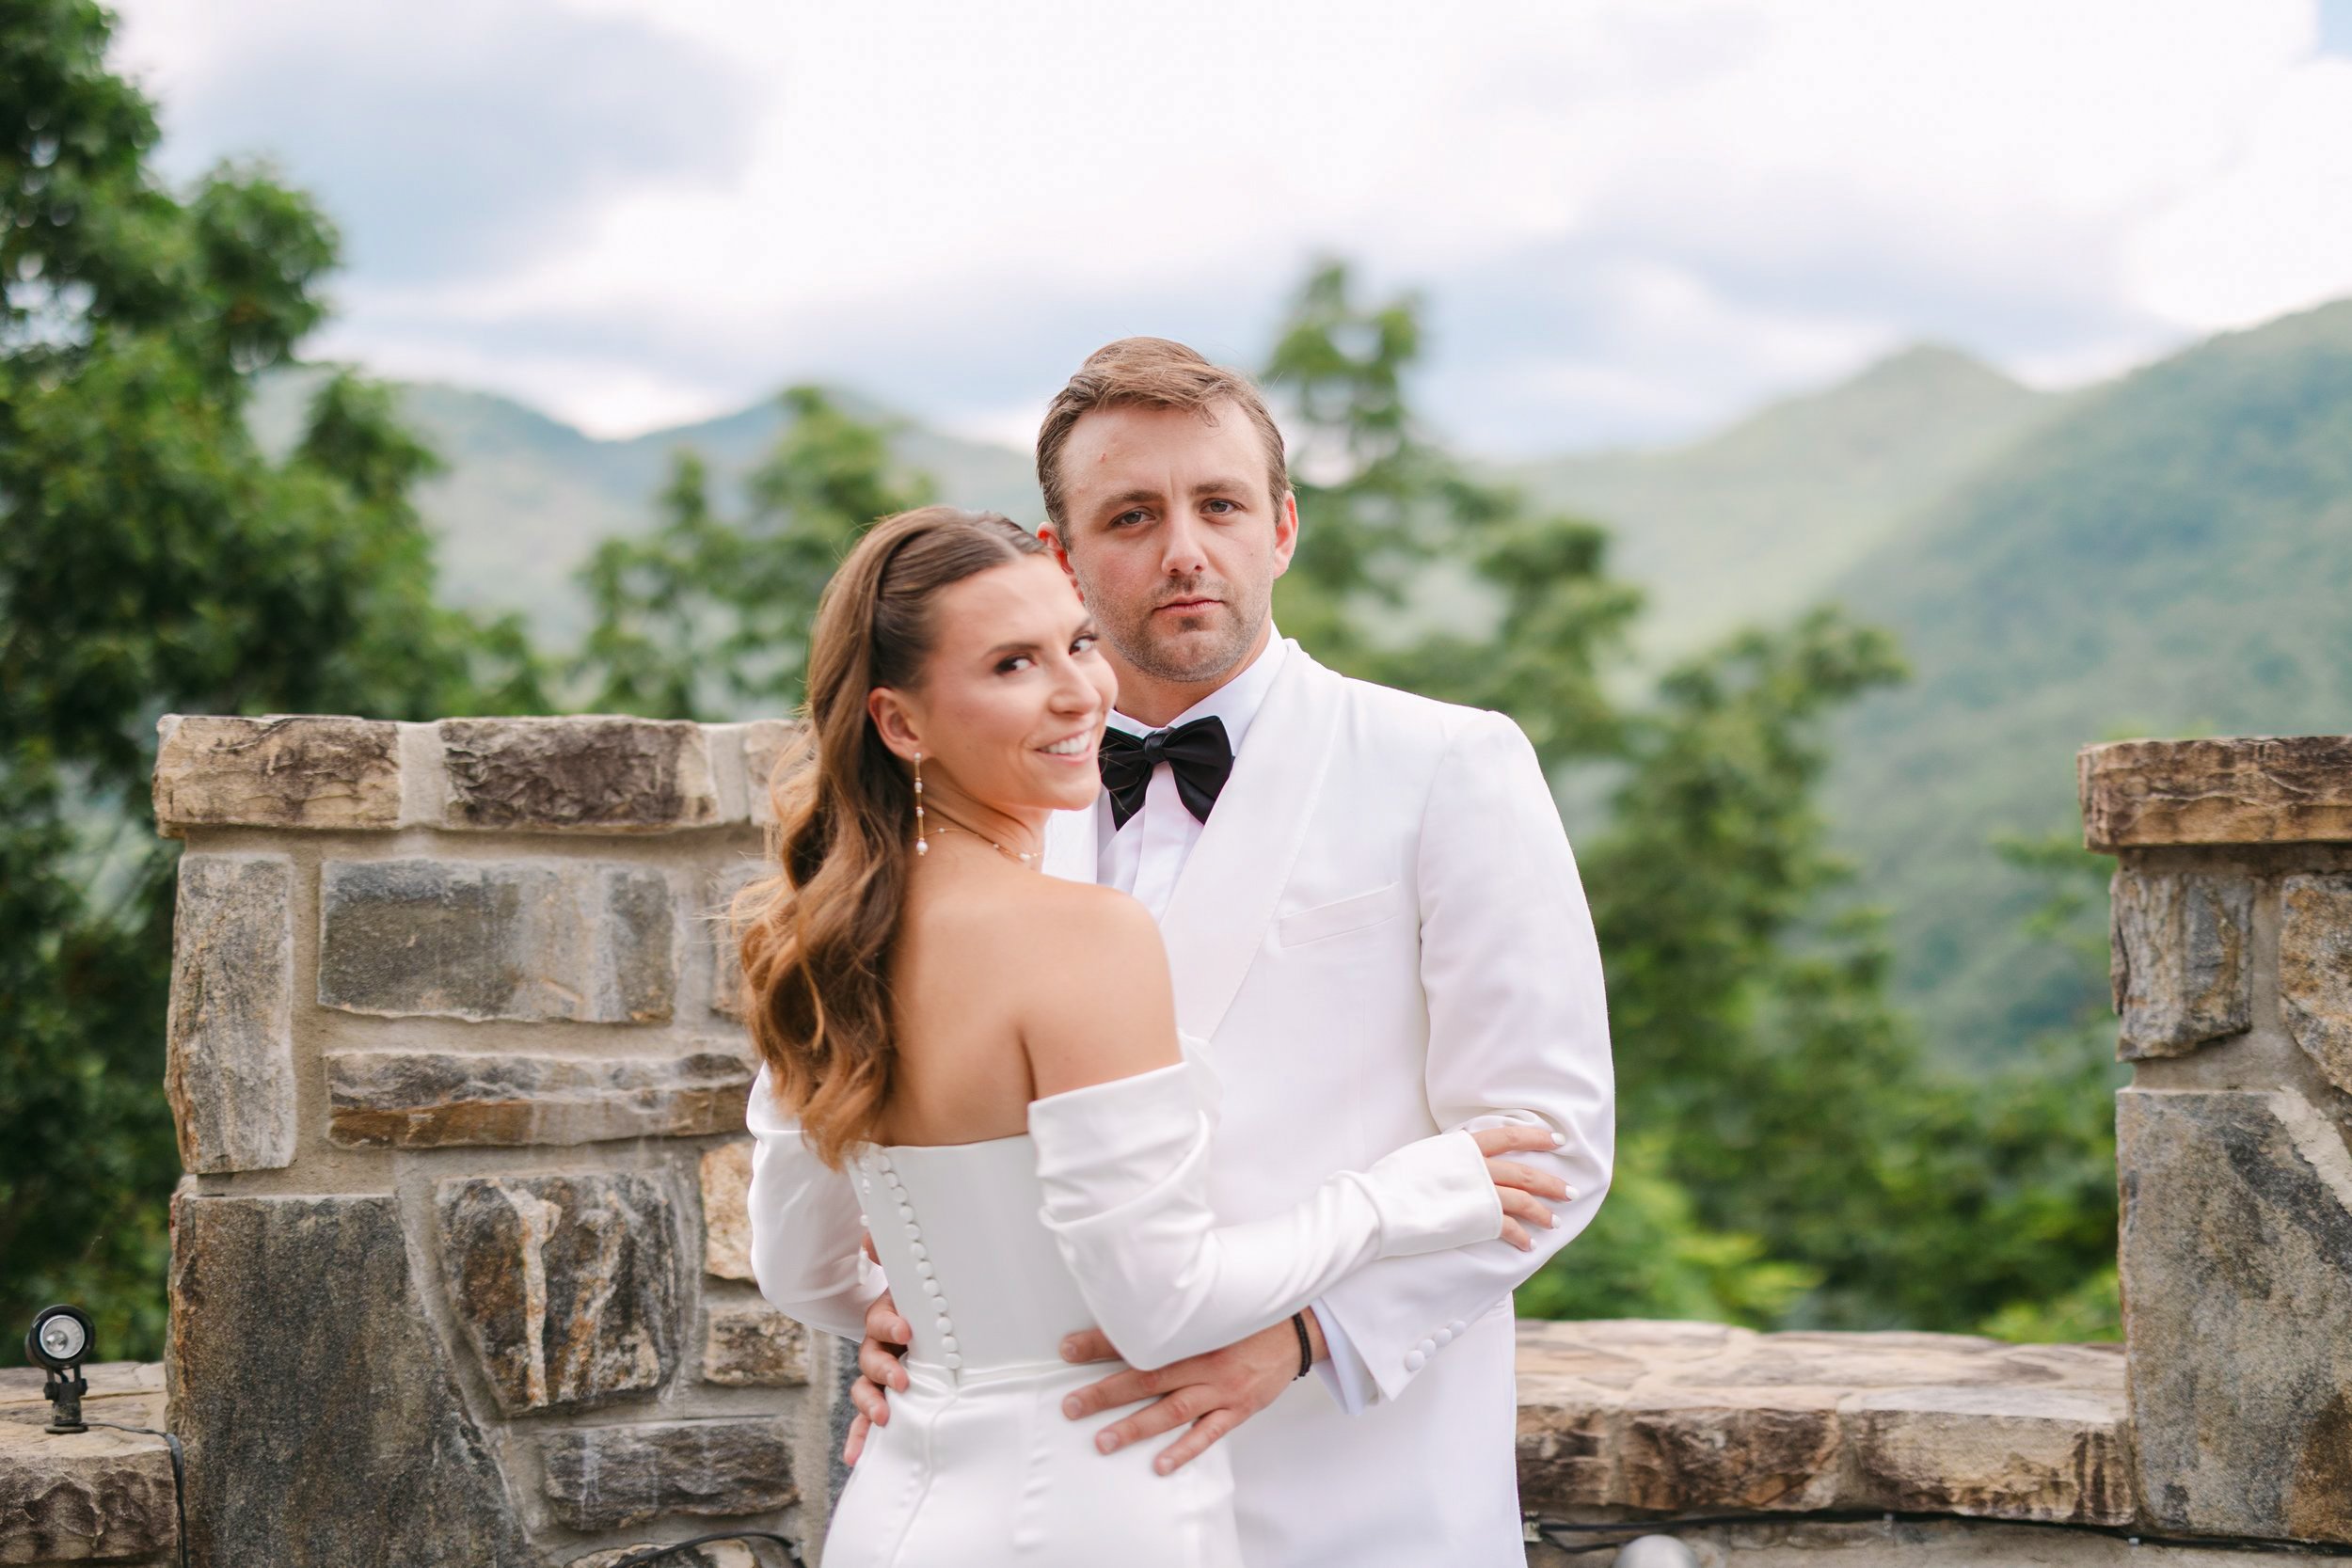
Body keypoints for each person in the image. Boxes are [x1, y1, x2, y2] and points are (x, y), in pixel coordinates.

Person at [840, 341, 1616, 1565]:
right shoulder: (986, 818)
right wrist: (893, 1305)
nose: (1183, 551)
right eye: (1132, 516)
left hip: (1361, 1486)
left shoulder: (1447, 767)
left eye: (1219, 505)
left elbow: (1548, 1147)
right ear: (1062, 557)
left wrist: (1301, 1343)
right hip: (1071, 1499)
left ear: (1282, 529)